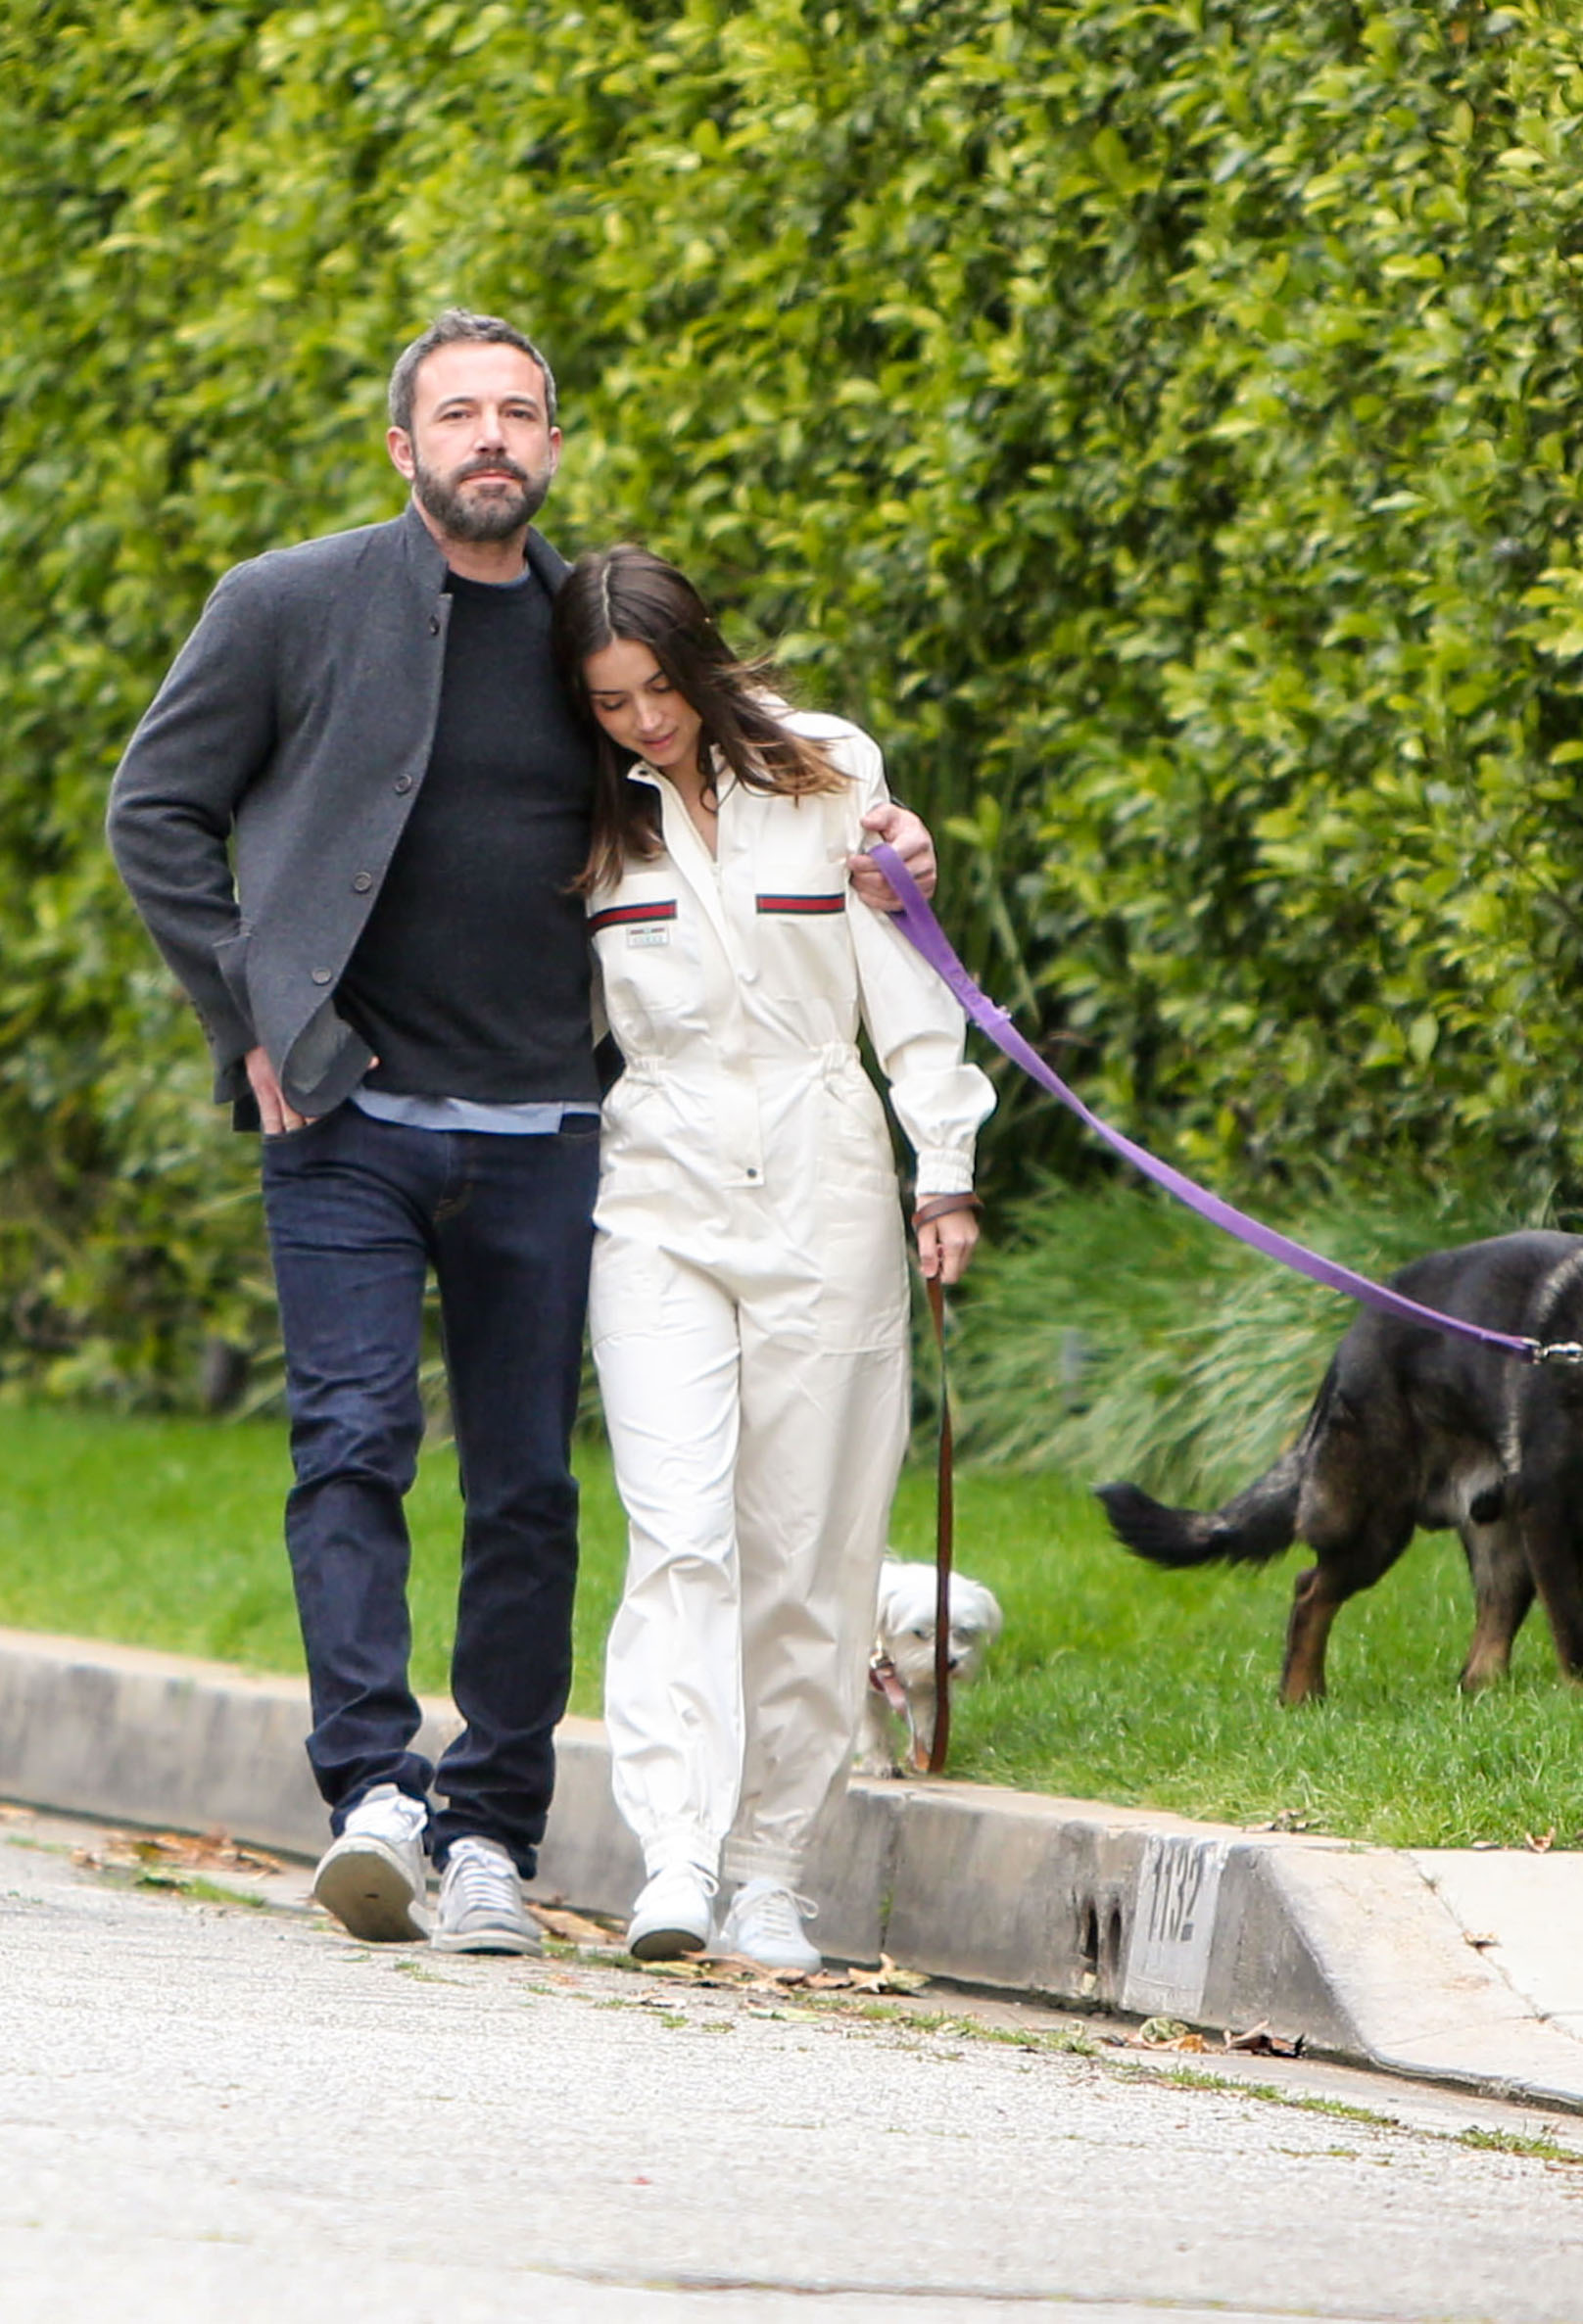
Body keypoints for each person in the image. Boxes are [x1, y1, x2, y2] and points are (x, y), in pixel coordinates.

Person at [106, 311, 938, 1957]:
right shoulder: (282, 603)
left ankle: (490, 1822)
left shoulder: (582, 643)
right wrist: (259, 1014)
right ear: (401, 446)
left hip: (556, 1128)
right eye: (458, 414)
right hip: (343, 1116)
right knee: (349, 1445)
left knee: (524, 1494)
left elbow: (718, 744)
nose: (491, 436)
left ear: (550, 445)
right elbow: (158, 810)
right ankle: (371, 1796)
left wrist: (877, 831)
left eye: (520, 414)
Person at [553, 544, 993, 1971]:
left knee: (809, 1549)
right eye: (612, 701)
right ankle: (675, 1849)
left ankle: (768, 1873)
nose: (644, 723)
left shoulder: (824, 769)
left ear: (702, 660)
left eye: (660, 690)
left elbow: (905, 976)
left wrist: (945, 1167)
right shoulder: (580, 806)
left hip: (825, 1174)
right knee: (678, 1529)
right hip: (658, 1179)